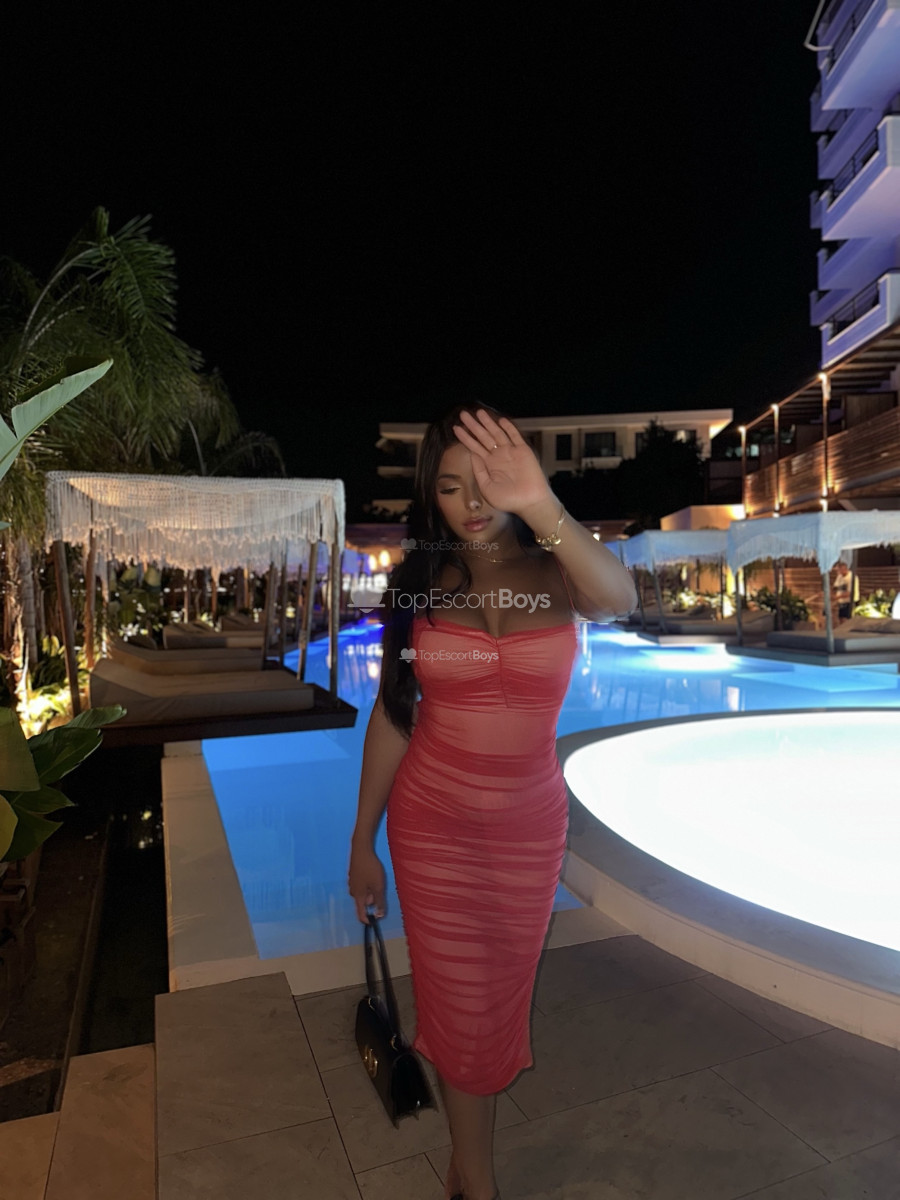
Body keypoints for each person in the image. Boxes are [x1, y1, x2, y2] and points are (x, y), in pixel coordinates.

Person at [347, 404, 636, 1200]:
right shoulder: (418, 586)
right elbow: (393, 716)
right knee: (457, 999)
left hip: (526, 829)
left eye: (489, 483)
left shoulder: (560, 571)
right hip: (431, 824)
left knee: (493, 1002)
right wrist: (362, 837)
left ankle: (464, 1159)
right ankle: (478, 1181)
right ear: (429, 496)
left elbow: (620, 597)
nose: (472, 504)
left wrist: (540, 502)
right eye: (450, 488)